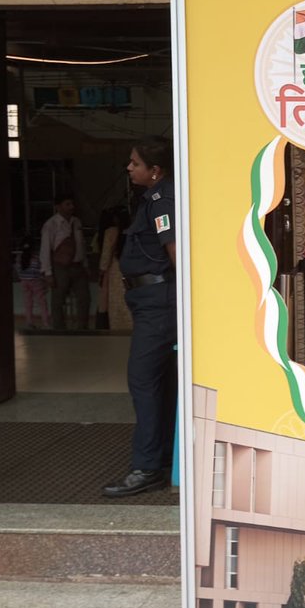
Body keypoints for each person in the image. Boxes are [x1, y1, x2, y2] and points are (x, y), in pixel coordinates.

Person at [103, 138, 177, 498]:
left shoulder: (163, 200)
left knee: (144, 380)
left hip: (159, 304)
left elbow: (175, 253)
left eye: (135, 163)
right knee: (159, 383)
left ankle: (146, 467)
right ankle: (160, 458)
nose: (129, 168)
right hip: (150, 301)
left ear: (155, 170)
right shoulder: (153, 199)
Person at [40, 193, 90, 330]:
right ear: (58, 206)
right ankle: (59, 329)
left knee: (84, 297)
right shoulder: (51, 225)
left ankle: (82, 328)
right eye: (67, 204)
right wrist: (48, 272)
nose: (71, 207)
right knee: (58, 299)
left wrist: (85, 264)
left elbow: (81, 245)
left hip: (78, 265)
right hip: (60, 267)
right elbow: (45, 249)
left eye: (72, 204)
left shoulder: (76, 222)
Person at [97, 205, 131, 330]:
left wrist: (102, 271)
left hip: (114, 271)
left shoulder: (110, 232)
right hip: (129, 269)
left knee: (115, 302)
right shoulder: (132, 230)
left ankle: (117, 328)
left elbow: (106, 257)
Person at [16, 234, 50, 329]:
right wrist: (43, 281)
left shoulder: (19, 257)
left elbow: (18, 269)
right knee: (42, 303)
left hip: (24, 282)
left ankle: (29, 322)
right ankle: (46, 323)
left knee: (28, 303)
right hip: (36, 281)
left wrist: (22, 278)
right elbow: (39, 270)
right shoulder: (36, 257)